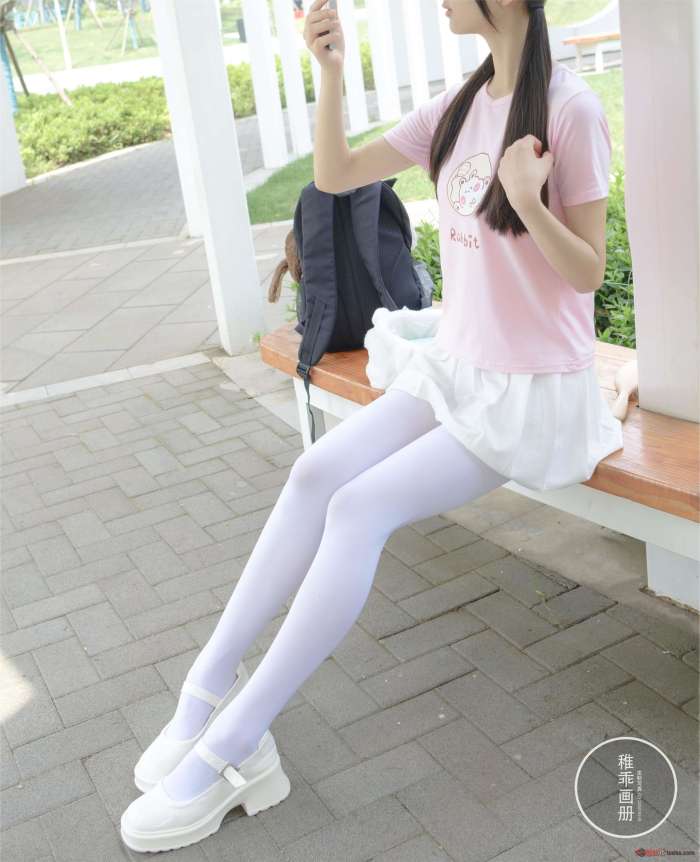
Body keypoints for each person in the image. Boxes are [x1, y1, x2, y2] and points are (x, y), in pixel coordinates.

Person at [120, 0, 624, 852]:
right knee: (316, 473)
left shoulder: (571, 109)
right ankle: (203, 692)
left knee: (359, 507)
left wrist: (527, 201)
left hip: (531, 393)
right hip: (459, 369)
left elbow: (587, 272)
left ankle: (234, 745)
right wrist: (329, 73)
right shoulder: (460, 106)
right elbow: (336, 172)